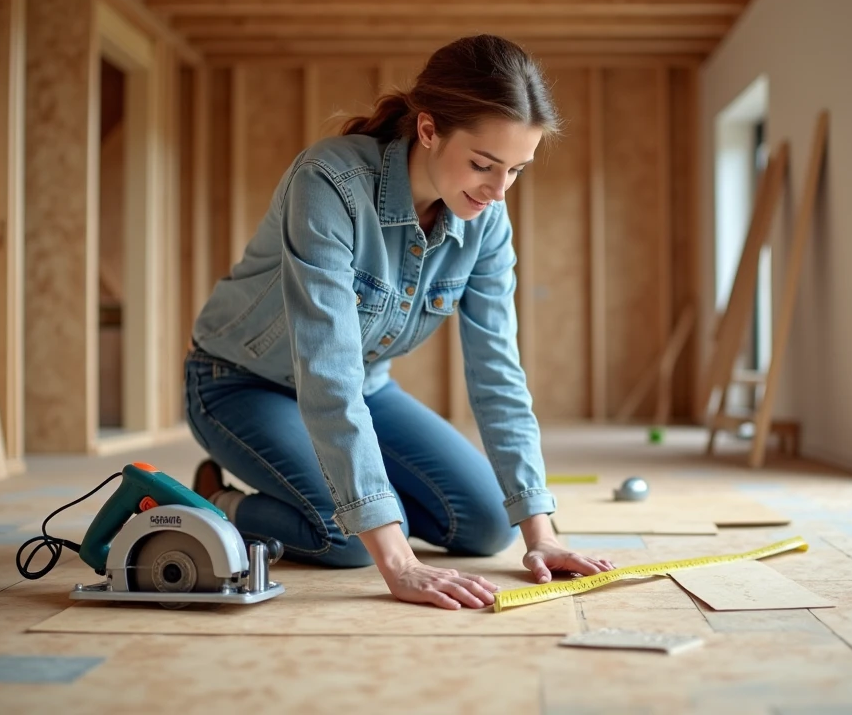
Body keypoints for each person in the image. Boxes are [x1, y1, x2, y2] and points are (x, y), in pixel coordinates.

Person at [183, 34, 614, 611]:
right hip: (239, 384)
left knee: (488, 526)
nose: (497, 190)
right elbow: (327, 369)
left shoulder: (487, 219)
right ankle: (220, 500)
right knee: (350, 537)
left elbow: (498, 373)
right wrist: (397, 558)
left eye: (516, 171)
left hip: (367, 387)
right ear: (429, 130)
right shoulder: (328, 183)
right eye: (484, 165)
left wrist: (544, 534)